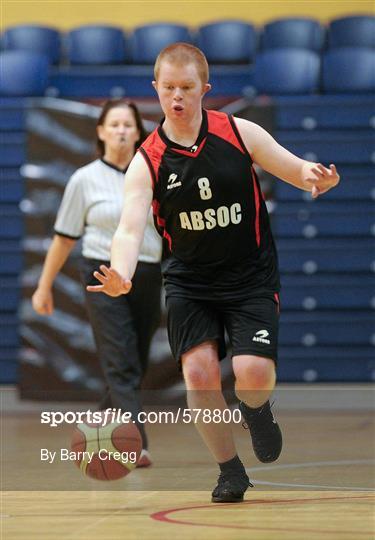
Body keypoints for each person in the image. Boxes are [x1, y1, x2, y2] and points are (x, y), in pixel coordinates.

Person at [87, 44, 340, 501]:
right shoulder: (147, 160)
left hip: (250, 275)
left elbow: (292, 166)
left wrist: (312, 177)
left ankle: (257, 411)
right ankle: (230, 470)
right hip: (190, 281)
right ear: (156, 90)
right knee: (200, 376)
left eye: (187, 87)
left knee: (253, 373)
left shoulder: (239, 132)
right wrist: (121, 273)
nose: (177, 97)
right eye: (168, 88)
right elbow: (129, 228)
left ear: (205, 88)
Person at [32, 99, 162, 467]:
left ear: (138, 132)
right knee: (121, 361)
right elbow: (63, 237)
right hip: (101, 273)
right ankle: (136, 442)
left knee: (133, 361)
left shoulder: (153, 175)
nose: (121, 130)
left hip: (146, 273)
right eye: (114, 124)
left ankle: (100, 430)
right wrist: (43, 286)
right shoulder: (84, 179)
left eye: (128, 124)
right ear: (101, 132)